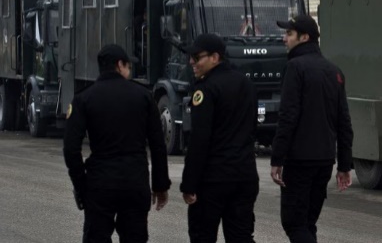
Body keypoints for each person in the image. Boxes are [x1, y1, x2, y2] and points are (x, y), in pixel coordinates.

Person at [63, 44, 170, 243]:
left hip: (100, 183)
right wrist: (160, 185)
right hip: (135, 182)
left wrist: (82, 186)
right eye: (128, 66)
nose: (129, 71)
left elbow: (71, 149)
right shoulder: (144, 97)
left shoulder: (84, 98)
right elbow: (157, 144)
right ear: (120, 65)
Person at [270, 15, 354, 243]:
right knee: (307, 223)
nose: (284, 38)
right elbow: (344, 121)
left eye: (289, 34)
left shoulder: (295, 68)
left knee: (294, 223)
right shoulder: (334, 71)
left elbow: (288, 116)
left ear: (304, 37)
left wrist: (277, 159)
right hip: (324, 160)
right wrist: (344, 164)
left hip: (299, 160)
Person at [180, 33, 259, 242]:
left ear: (215, 57)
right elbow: (253, 127)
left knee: (202, 236)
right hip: (244, 174)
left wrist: (189, 184)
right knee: (241, 236)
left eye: (197, 58)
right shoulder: (246, 83)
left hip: (213, 179)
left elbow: (199, 139)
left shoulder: (206, 89)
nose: (191, 62)